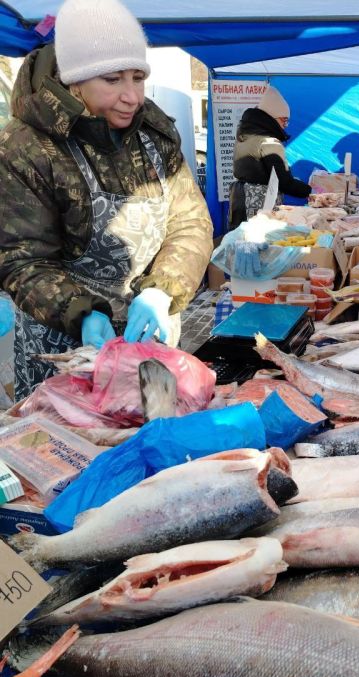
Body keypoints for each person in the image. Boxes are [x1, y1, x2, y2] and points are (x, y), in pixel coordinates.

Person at [0, 0, 212, 401]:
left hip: (150, 334)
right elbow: (21, 258)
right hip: (68, 341)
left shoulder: (154, 133)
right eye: (113, 79)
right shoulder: (27, 147)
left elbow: (191, 223)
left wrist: (163, 288)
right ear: (74, 81)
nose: (132, 96)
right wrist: (80, 311)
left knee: (151, 438)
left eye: (138, 77)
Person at [229, 86, 311, 229]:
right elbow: (284, 182)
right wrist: (311, 192)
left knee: (243, 243)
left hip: (240, 200)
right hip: (260, 206)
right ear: (272, 119)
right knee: (261, 245)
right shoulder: (269, 142)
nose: (285, 126)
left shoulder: (245, 136)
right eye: (284, 120)